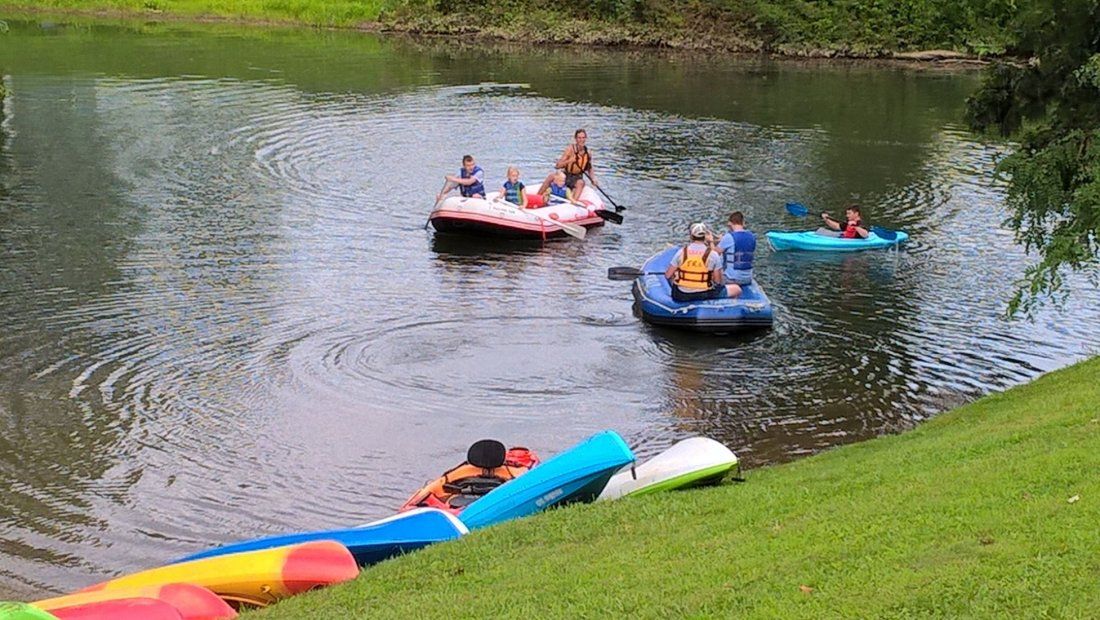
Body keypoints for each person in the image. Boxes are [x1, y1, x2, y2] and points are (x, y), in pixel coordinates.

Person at [665, 223, 742, 302]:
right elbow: (718, 281)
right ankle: (730, 308)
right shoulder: (713, 255)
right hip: (705, 294)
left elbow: (668, 275)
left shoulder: (681, 252)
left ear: (691, 236)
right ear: (705, 237)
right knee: (737, 289)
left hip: (682, 295)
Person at [537, 128, 599, 200]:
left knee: (581, 182)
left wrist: (593, 179)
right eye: (579, 138)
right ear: (575, 139)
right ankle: (538, 197)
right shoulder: (570, 149)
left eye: (583, 138)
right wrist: (569, 161)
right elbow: (558, 165)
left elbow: (589, 168)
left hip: (577, 177)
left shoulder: (588, 153)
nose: (581, 140)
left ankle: (572, 203)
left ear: (586, 138)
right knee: (551, 176)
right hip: (566, 175)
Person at [716, 211, 756, 285]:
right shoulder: (752, 236)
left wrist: (710, 241)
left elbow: (715, 253)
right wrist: (723, 239)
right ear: (743, 222)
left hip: (732, 279)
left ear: (730, 223)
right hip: (748, 278)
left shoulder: (728, 237)